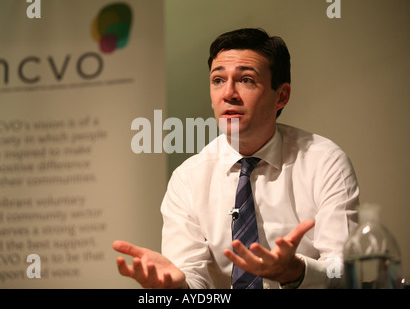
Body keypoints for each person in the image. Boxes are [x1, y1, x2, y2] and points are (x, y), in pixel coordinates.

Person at [113, 28, 360, 289]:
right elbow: (192, 278)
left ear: (282, 95)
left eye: (246, 80)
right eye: (218, 80)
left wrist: (295, 271)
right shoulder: (188, 179)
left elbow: (345, 269)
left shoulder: (325, 162)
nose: (228, 93)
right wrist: (177, 288)